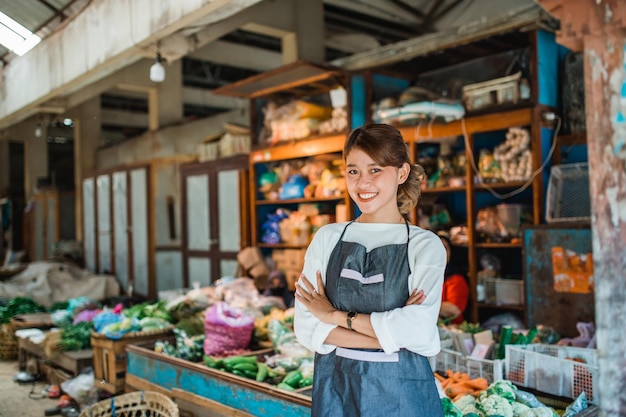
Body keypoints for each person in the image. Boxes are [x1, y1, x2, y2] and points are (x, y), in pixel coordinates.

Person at [293, 124, 446, 417]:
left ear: (401, 173)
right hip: (336, 395)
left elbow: (419, 327)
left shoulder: (424, 245)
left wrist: (334, 316)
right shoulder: (328, 238)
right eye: (353, 171)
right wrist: (391, 335)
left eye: (375, 170)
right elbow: (307, 325)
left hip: (404, 399)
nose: (363, 183)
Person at [438, 234, 470, 325]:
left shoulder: (456, 279)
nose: (441, 252)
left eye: (445, 248)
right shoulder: (422, 275)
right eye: (436, 248)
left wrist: (423, 305)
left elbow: (454, 310)